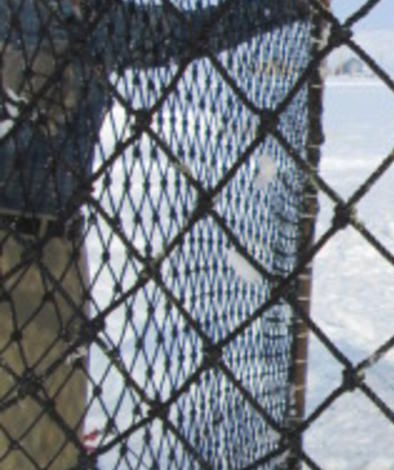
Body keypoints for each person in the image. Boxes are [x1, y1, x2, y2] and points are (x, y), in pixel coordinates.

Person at [0, 0, 309, 467]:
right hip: (26, 252)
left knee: (50, 415)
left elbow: (194, 30)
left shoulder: (99, 22)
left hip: (55, 249)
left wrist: (286, 7)